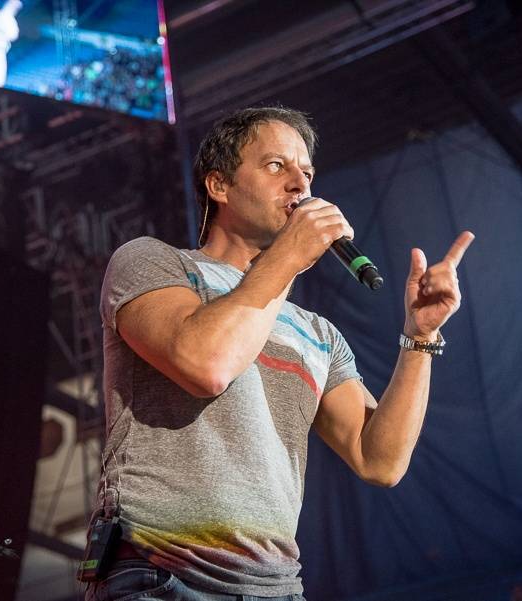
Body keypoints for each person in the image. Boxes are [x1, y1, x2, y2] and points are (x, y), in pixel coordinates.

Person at [88, 106, 474, 600]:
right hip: (162, 575)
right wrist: (288, 256)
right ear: (218, 186)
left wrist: (419, 336)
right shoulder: (154, 264)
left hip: (275, 587)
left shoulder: (316, 334)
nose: (300, 184)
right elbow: (205, 365)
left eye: (307, 172)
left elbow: (379, 460)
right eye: (276, 166)